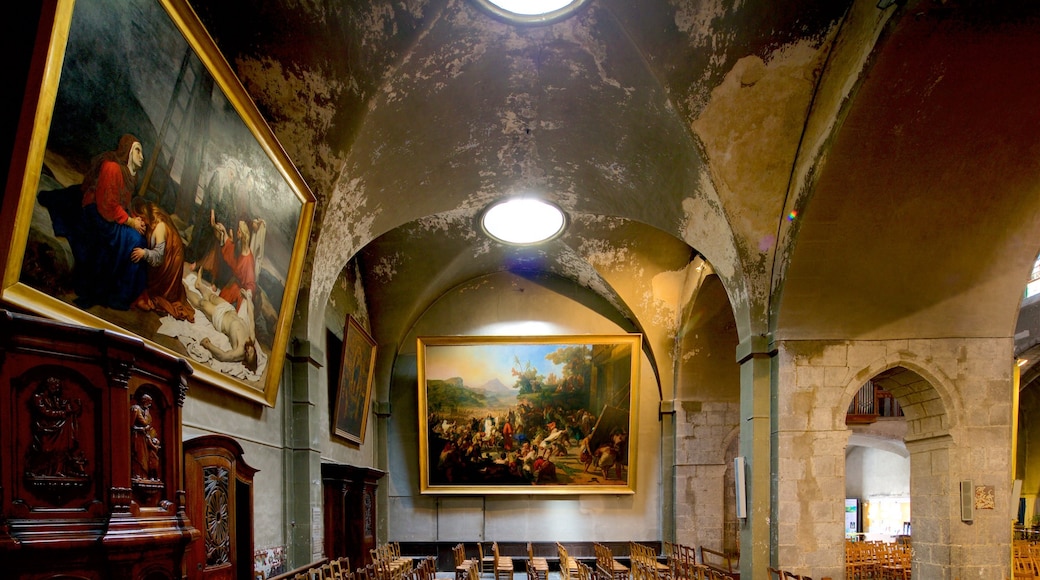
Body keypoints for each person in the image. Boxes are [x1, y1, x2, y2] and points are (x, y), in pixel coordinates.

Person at [73, 134, 147, 310]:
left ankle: (121, 295)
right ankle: (116, 296)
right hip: (98, 215)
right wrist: (130, 222)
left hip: (113, 215)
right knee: (135, 241)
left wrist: (134, 218)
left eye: (142, 152)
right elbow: (107, 205)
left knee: (140, 241)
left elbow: (122, 204)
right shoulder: (112, 168)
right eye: (138, 150)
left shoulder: (131, 177)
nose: (142, 156)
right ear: (127, 151)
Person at [129, 198, 195, 322]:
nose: (139, 222)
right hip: (168, 258)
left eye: (140, 218)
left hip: (169, 266)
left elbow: (158, 258)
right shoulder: (153, 220)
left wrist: (144, 253)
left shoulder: (159, 227)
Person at [186, 271, 259, 372]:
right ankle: (199, 285)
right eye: (251, 352)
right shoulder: (252, 338)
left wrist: (208, 345)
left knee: (202, 303)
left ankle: (184, 289)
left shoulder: (239, 352)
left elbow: (223, 356)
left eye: (247, 355)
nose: (248, 350)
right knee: (212, 297)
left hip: (220, 318)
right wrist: (248, 298)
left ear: (245, 359)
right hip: (229, 310)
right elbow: (251, 318)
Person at [27, 377, 86, 478]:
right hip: (45, 428)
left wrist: (73, 406)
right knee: (47, 450)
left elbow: (63, 405)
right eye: (55, 386)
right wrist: (63, 412)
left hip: (58, 428)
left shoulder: (54, 398)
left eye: (58, 387)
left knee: (61, 448)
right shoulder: (38, 397)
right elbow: (45, 412)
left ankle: (59, 470)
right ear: (48, 386)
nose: (57, 389)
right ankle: (36, 470)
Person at [130, 392, 161, 480]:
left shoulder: (146, 411)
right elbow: (130, 426)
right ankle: (136, 475)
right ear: (144, 401)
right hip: (136, 436)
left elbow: (148, 424)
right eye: (149, 402)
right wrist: (141, 429)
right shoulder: (135, 409)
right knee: (138, 456)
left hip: (144, 437)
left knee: (145, 458)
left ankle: (144, 476)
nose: (150, 404)